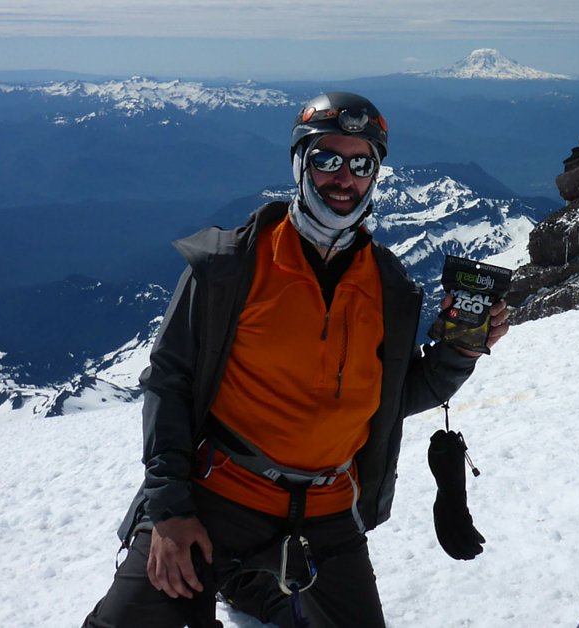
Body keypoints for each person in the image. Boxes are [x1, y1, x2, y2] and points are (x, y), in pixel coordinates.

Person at [83, 91, 510, 628]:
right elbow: (171, 382)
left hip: (327, 509)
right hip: (220, 492)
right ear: (299, 165)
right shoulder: (232, 267)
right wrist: (168, 513)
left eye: (361, 164)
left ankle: (250, 583)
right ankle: (242, 575)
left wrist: (462, 349)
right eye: (327, 159)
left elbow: (392, 398)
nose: (344, 177)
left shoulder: (388, 286)